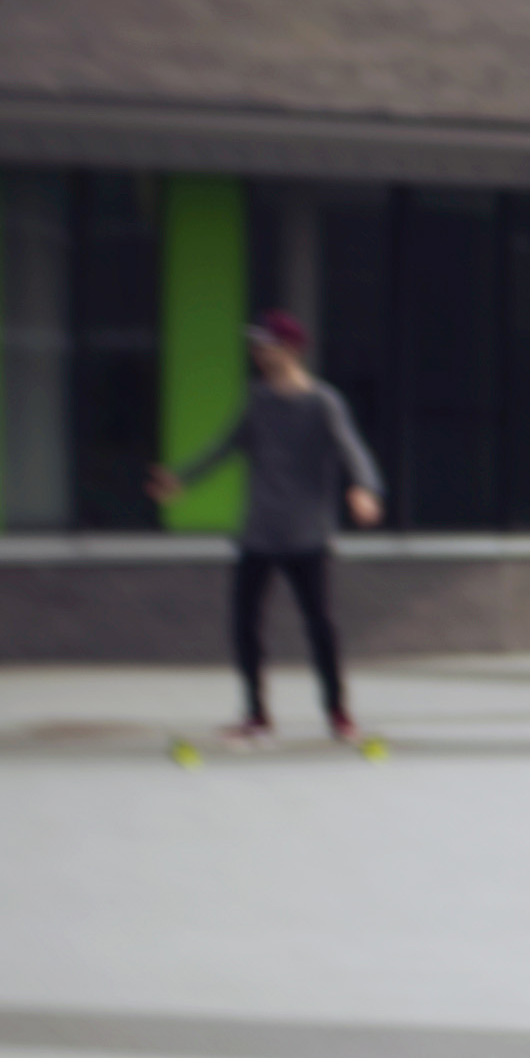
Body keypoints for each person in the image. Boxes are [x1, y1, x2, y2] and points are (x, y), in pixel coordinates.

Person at [148, 310, 382, 743]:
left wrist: (364, 489)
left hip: (307, 532)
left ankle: (338, 712)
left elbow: (353, 451)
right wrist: (181, 480)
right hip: (260, 530)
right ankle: (256, 714)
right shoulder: (257, 399)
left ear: (290, 349)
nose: (257, 353)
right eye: (256, 345)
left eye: (265, 345)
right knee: (244, 622)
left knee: (319, 624)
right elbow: (226, 446)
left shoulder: (321, 402)